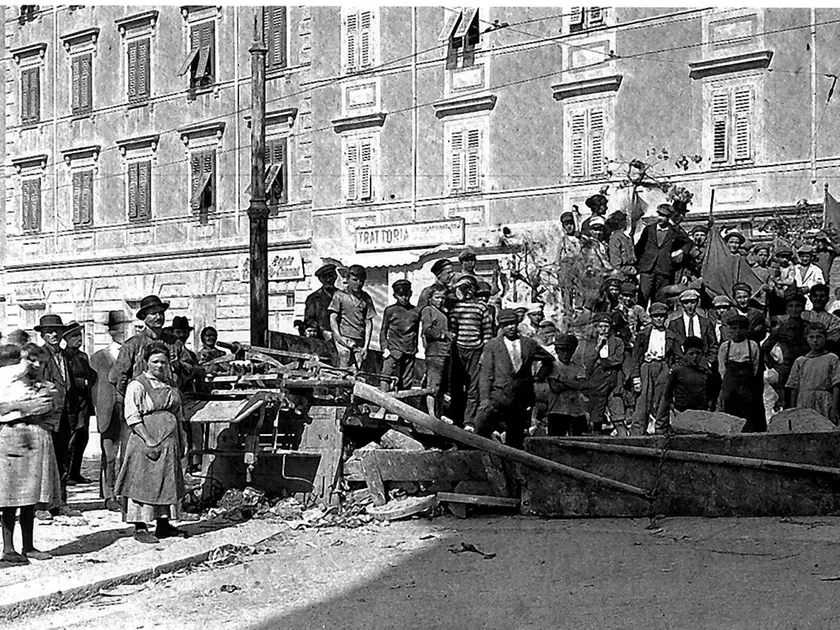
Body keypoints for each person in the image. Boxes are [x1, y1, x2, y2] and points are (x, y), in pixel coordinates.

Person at [114, 342, 188, 544]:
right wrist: (149, 440)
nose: (160, 366)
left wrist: (182, 437)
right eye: (155, 362)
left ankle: (163, 524)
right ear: (146, 362)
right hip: (145, 440)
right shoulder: (137, 385)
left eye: (164, 362)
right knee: (143, 481)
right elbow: (132, 415)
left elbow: (178, 414)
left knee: (166, 481)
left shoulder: (171, 386)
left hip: (168, 441)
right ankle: (140, 526)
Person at [0, 343, 62, 564]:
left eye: (41, 362)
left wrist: (25, 407)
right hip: (10, 436)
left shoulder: (44, 386)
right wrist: (23, 407)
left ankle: (28, 545)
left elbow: (50, 406)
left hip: (35, 436)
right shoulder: (5, 379)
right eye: (31, 361)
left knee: (30, 495)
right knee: (9, 496)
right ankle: (8, 548)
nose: (35, 366)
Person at [473, 309, 553, 448]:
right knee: (481, 425)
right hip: (499, 395)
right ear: (501, 327)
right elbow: (485, 374)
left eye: (513, 323)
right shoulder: (492, 345)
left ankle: (512, 462)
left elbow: (548, 360)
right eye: (506, 325)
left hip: (521, 397)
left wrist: (538, 377)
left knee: (515, 436)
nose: (510, 327)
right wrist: (485, 399)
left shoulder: (529, 344)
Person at [35, 314, 80, 518]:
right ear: (43, 335)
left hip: (66, 415)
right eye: (49, 331)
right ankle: (41, 506)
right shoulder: (38, 356)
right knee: (44, 461)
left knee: (64, 458)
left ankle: (60, 502)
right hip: (47, 416)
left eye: (57, 331)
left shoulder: (66, 356)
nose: (54, 334)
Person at [110, 295, 196, 400]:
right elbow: (117, 376)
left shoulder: (174, 343)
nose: (159, 317)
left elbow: (190, 369)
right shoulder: (132, 345)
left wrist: (178, 365)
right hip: (142, 402)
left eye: (161, 313)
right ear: (143, 317)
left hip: (170, 401)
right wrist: (131, 399)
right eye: (153, 314)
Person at [90, 311, 127, 512]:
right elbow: (94, 388)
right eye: (115, 328)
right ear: (110, 331)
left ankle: (125, 493)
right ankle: (109, 494)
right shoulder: (97, 358)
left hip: (129, 409)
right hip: (107, 411)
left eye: (122, 327)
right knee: (110, 454)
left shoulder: (133, 353)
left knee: (128, 453)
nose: (119, 331)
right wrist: (99, 409)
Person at [449, 274, 494, 428]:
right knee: (456, 386)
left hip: (476, 350)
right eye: (463, 289)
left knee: (473, 388)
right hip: (459, 350)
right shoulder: (456, 308)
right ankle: (456, 419)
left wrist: (484, 354)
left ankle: (469, 421)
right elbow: (453, 330)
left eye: (469, 289)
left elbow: (487, 332)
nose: (466, 292)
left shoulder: (482, 308)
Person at [630, 302, 676, 436]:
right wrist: (636, 377)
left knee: (662, 400)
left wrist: (671, 370)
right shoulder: (643, 334)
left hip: (663, 366)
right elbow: (636, 357)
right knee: (642, 401)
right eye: (656, 316)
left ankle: (661, 432)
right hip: (646, 367)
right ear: (651, 317)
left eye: (662, 316)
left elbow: (677, 356)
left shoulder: (671, 335)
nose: (659, 319)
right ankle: (637, 433)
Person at [576, 313, 625, 434]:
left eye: (606, 326)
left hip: (614, 383)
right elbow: (588, 363)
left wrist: (601, 362)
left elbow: (618, 359)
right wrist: (597, 348)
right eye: (600, 326)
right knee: (596, 419)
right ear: (596, 328)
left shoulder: (617, 342)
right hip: (597, 385)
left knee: (618, 418)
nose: (603, 329)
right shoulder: (588, 344)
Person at [634, 203, 691, 306]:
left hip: (664, 270)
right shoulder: (649, 230)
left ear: (668, 218)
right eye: (659, 215)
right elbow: (639, 247)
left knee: (660, 299)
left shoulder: (674, 231)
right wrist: (641, 263)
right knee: (643, 296)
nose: (660, 218)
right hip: (647, 269)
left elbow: (689, 243)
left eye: (664, 216)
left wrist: (680, 251)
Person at [62, 321, 97, 486]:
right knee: (72, 438)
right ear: (66, 339)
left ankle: (76, 472)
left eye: (79, 335)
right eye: (74, 336)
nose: (78, 339)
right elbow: (67, 379)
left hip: (84, 403)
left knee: (83, 438)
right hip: (72, 403)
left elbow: (92, 374)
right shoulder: (65, 356)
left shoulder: (83, 356)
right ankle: (67, 473)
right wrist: (82, 382)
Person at [656, 336, 714, 433]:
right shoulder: (677, 371)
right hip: (680, 414)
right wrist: (661, 425)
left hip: (700, 416)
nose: (695, 357)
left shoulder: (707, 374)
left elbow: (711, 397)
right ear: (685, 354)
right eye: (691, 354)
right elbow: (667, 396)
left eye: (698, 353)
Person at [762, 292, 810, 409]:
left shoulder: (808, 327)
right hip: (787, 368)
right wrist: (774, 365)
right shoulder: (781, 329)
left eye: (798, 306)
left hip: (807, 366)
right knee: (787, 400)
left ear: (803, 308)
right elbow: (765, 348)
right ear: (787, 308)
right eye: (791, 306)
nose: (794, 309)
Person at [785, 323, 840, 424]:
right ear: (807, 338)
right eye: (811, 337)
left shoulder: (832, 358)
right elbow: (793, 387)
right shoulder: (800, 361)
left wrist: (834, 409)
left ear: (825, 338)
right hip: (804, 402)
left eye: (819, 337)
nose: (815, 340)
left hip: (824, 402)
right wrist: (793, 411)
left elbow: (837, 385)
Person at [719, 314, 765, 432]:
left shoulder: (752, 345)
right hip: (731, 386)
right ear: (729, 330)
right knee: (731, 414)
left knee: (750, 414)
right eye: (734, 328)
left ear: (746, 329)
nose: (738, 332)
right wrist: (729, 383)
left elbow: (755, 367)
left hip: (748, 385)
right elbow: (722, 368)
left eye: (741, 328)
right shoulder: (725, 347)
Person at [328, 265, 376, 370]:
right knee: (345, 357)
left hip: (359, 339)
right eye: (354, 280)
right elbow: (333, 318)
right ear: (347, 279)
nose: (358, 283)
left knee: (359, 364)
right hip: (344, 337)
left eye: (361, 281)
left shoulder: (366, 298)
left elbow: (368, 323)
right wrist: (339, 337)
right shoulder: (339, 295)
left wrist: (366, 346)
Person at [379, 279, 420, 391]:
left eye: (406, 295)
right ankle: (383, 403)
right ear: (395, 295)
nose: (404, 298)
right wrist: (384, 348)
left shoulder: (416, 311)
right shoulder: (390, 311)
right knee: (385, 375)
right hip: (393, 349)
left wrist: (415, 348)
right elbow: (383, 330)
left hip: (409, 350)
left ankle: (401, 404)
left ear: (410, 294)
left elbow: (417, 331)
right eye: (400, 295)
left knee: (406, 381)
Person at [546, 334, 588, 436]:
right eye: (562, 352)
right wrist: (573, 382)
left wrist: (562, 380)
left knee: (578, 440)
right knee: (556, 439)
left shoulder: (578, 367)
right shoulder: (553, 366)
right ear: (557, 351)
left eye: (568, 352)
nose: (565, 355)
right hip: (557, 409)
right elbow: (555, 387)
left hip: (575, 410)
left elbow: (581, 385)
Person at [420, 285, 451, 417]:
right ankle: (431, 414)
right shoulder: (428, 310)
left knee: (441, 387)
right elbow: (427, 330)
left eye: (442, 298)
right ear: (430, 298)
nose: (440, 300)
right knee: (433, 385)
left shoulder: (443, 313)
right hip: (434, 352)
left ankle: (438, 413)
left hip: (445, 352)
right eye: (437, 297)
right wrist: (444, 334)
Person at [668, 288, 718, 368]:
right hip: (681, 364)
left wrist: (709, 361)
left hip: (702, 363)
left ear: (697, 302)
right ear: (682, 304)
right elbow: (671, 346)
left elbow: (713, 344)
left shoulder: (706, 323)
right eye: (686, 303)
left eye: (693, 302)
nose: (690, 306)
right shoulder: (674, 324)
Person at [304, 264, 339, 341]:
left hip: (342, 339)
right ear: (320, 280)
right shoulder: (313, 298)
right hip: (321, 339)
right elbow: (309, 320)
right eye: (325, 277)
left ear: (335, 277)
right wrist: (323, 331)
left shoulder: (343, 296)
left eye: (331, 276)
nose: (328, 280)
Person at [802, 283, 840, 352]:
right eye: (815, 296)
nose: (818, 298)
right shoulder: (803, 316)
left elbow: (833, 338)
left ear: (827, 299)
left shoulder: (835, 320)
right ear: (810, 298)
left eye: (822, 296)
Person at [607, 211, 636, 278]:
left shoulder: (625, 237)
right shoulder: (615, 238)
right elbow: (615, 261)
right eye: (624, 220)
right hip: (623, 273)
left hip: (630, 270)